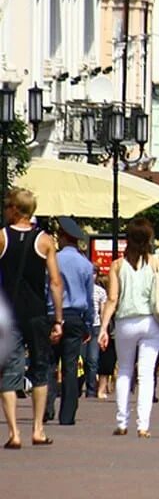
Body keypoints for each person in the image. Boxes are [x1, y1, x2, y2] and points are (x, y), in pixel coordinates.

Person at [98, 218, 159, 438]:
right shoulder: (156, 262)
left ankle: (121, 421)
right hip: (151, 323)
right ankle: (143, 425)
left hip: (125, 322)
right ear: (149, 239)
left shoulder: (118, 265)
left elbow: (111, 299)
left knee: (125, 371)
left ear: (127, 239)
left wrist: (103, 328)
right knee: (147, 374)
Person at [0, 188, 64, 449]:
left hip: (9, 315)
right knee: (40, 368)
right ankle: (37, 429)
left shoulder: (2, 237)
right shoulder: (45, 240)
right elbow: (56, 282)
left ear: (15, 209)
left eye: (7, 206)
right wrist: (58, 318)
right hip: (37, 313)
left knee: (7, 371)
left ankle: (14, 433)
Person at [44, 216, 95, 426]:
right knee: (71, 366)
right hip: (75, 316)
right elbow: (90, 297)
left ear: (64, 238)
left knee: (48, 363)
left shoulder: (52, 260)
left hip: (51, 314)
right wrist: (89, 323)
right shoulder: (85, 264)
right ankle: (67, 415)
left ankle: (46, 409)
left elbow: (46, 288)